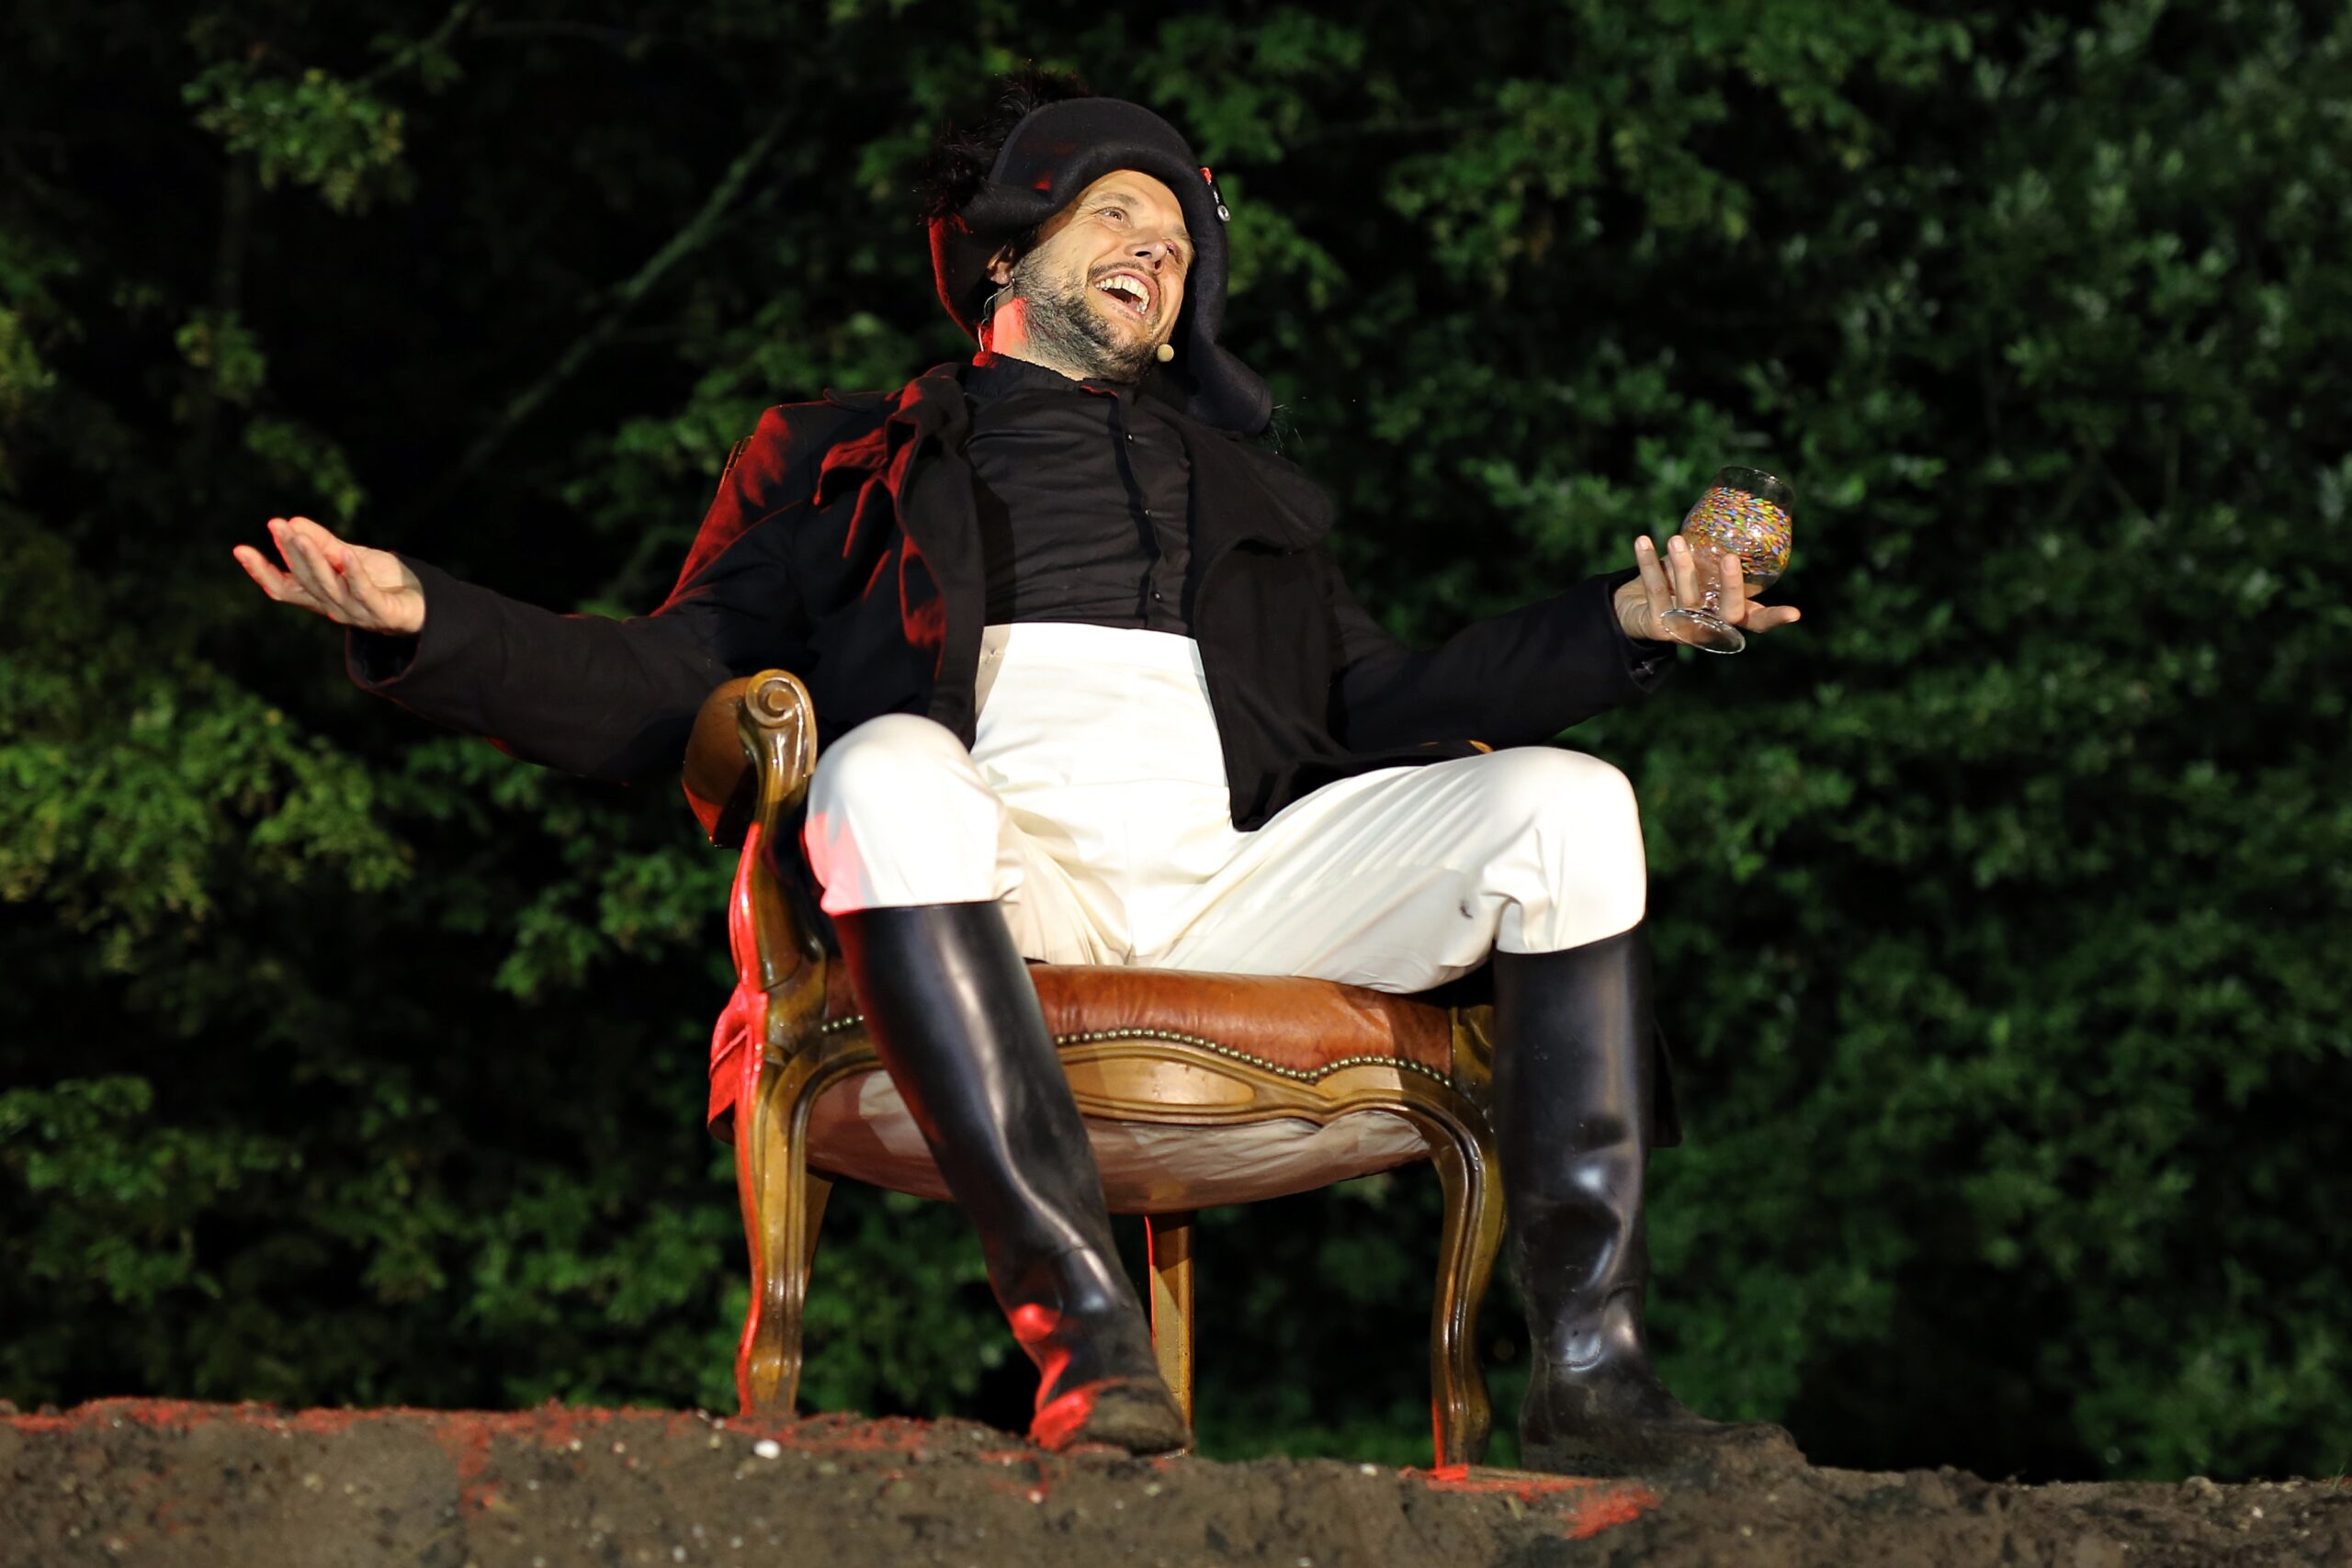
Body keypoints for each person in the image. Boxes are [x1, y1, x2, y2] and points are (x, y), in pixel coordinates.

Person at [232, 73, 1804, 1472]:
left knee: (1569, 806)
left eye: (1180, 245)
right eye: (1119, 213)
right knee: (881, 768)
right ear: (1006, 249)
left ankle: (1589, 1376)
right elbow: (661, 679)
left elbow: (1379, 697)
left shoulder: (1247, 491)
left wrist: (1621, 627)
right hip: (992, 866)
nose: (1159, 251)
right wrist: (429, 620)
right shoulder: (838, 458)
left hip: (1233, 870)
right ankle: (1086, 1337)